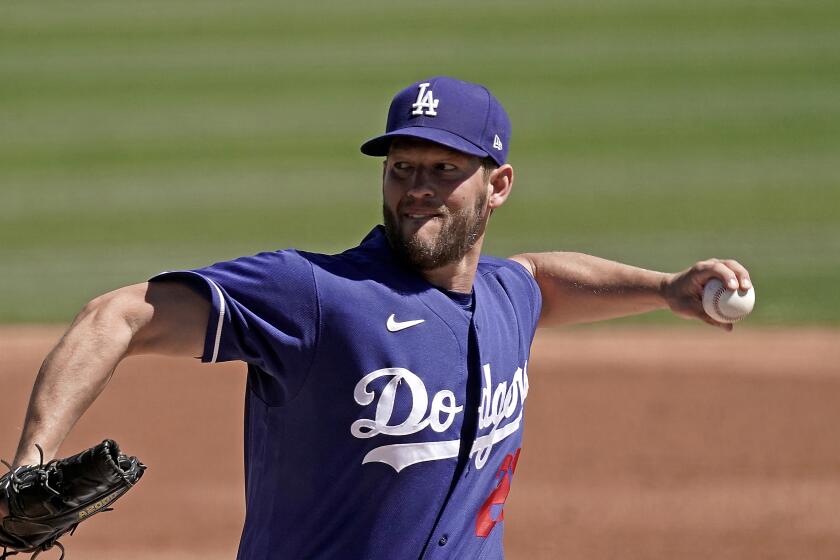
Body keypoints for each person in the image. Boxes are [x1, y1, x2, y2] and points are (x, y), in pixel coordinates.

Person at [3, 77, 751, 559]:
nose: (416, 190)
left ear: (499, 185)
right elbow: (120, 314)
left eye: (444, 171)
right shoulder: (317, 295)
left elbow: (539, 279)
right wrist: (31, 462)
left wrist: (665, 287)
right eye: (401, 168)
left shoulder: (501, 300)